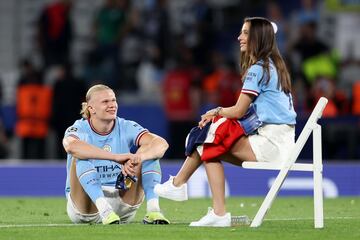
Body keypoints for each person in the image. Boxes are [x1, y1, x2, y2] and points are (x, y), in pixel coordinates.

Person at [154, 17, 297, 227]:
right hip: (279, 142)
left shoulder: (259, 68)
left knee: (211, 133)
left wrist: (216, 111)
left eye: (246, 33)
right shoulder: (273, 65)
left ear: (257, 37)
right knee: (208, 146)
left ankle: (181, 186)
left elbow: (239, 111)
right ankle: (209, 207)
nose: (240, 37)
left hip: (271, 144)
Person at [63, 84, 170, 225]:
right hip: (88, 205)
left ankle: (153, 210)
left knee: (149, 155)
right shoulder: (79, 128)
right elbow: (71, 146)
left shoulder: (126, 126)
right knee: (80, 156)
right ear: (91, 108)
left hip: (122, 198)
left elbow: (161, 144)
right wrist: (115, 157)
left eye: (113, 100)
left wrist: (137, 158)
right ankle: (105, 210)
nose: (112, 105)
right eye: (105, 102)